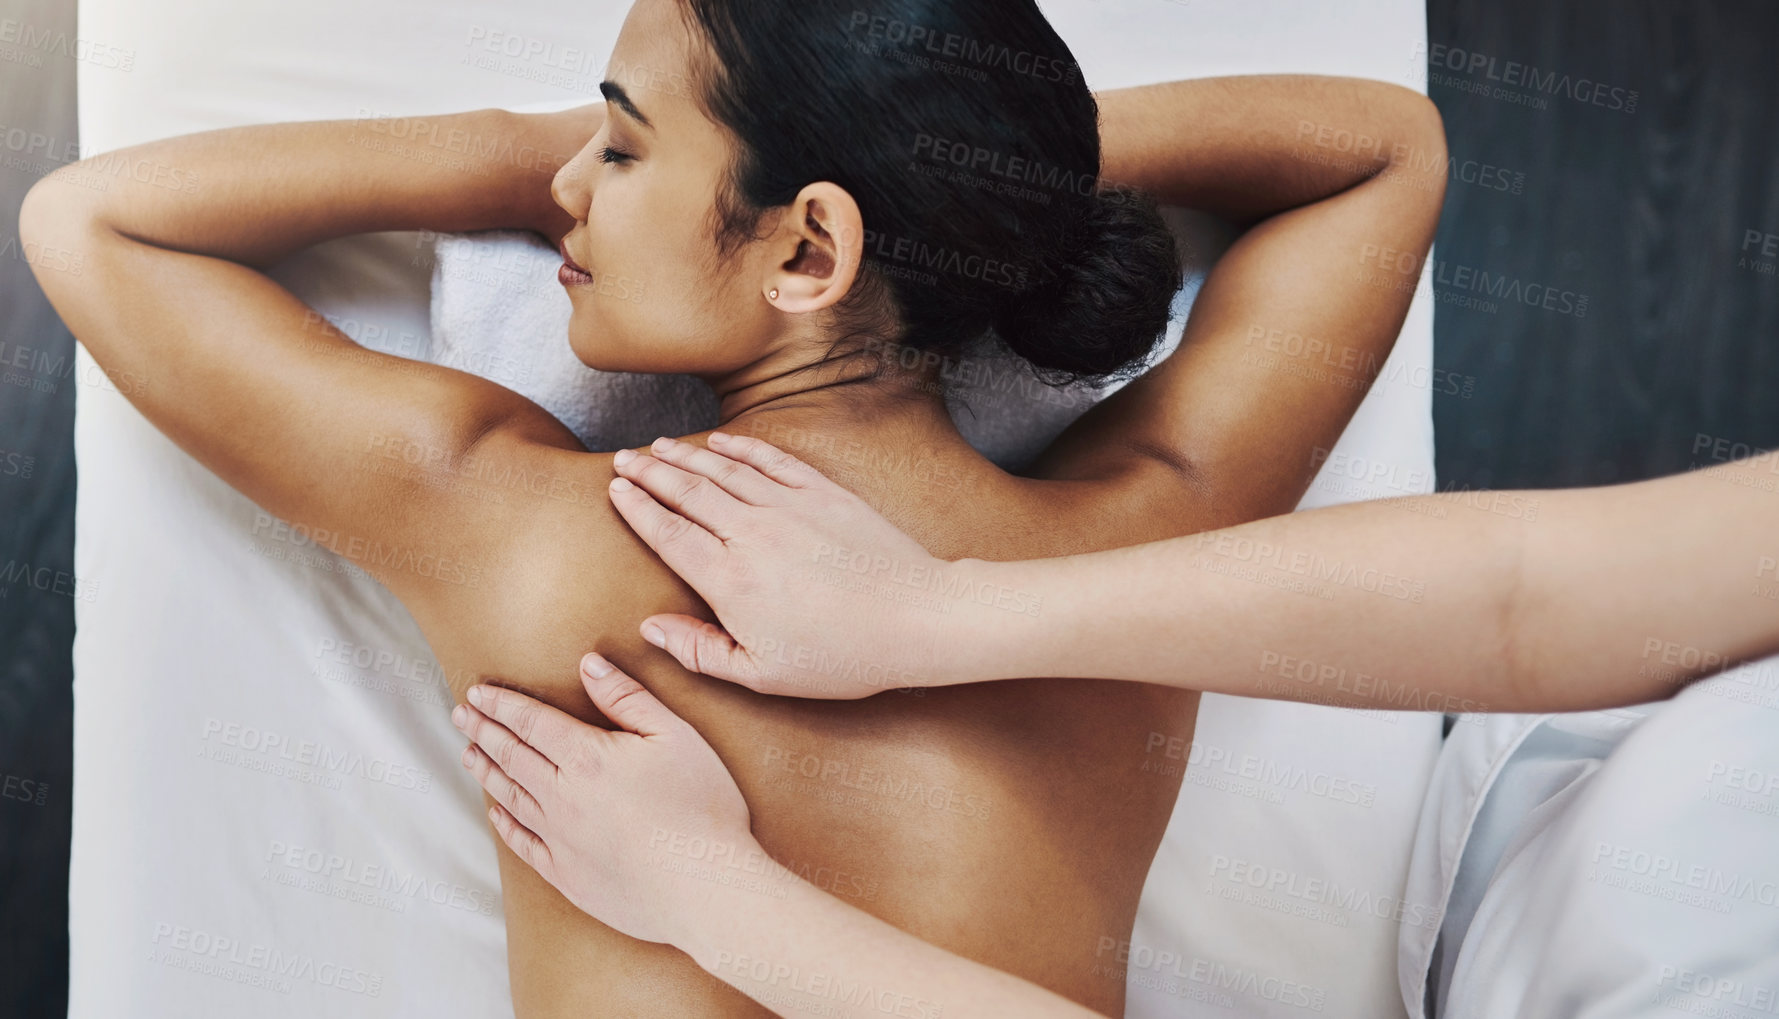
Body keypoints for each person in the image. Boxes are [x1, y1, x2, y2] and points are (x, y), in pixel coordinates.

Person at [20, 0, 1444, 1017]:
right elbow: (1386, 152)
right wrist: (950, 168)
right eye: (579, 150)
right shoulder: (1147, 561)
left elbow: (95, 226)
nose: (570, 183)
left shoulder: (510, 528)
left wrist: (511, 157)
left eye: (621, 151)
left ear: (808, 247)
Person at [451, 436, 1779, 1019]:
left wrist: (711, 896)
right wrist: (937, 615)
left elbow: (1381, 157)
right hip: (1535, 819)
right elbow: (1531, 600)